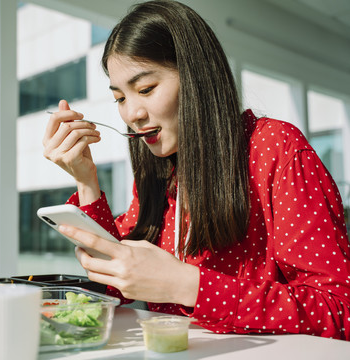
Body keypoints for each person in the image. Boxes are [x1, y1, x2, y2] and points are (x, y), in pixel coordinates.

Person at [42, 0, 350, 340]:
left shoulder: (276, 148)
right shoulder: (161, 169)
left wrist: (187, 286)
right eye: (120, 98)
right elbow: (115, 290)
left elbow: (337, 310)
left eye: (145, 89)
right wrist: (86, 180)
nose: (131, 114)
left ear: (197, 77)